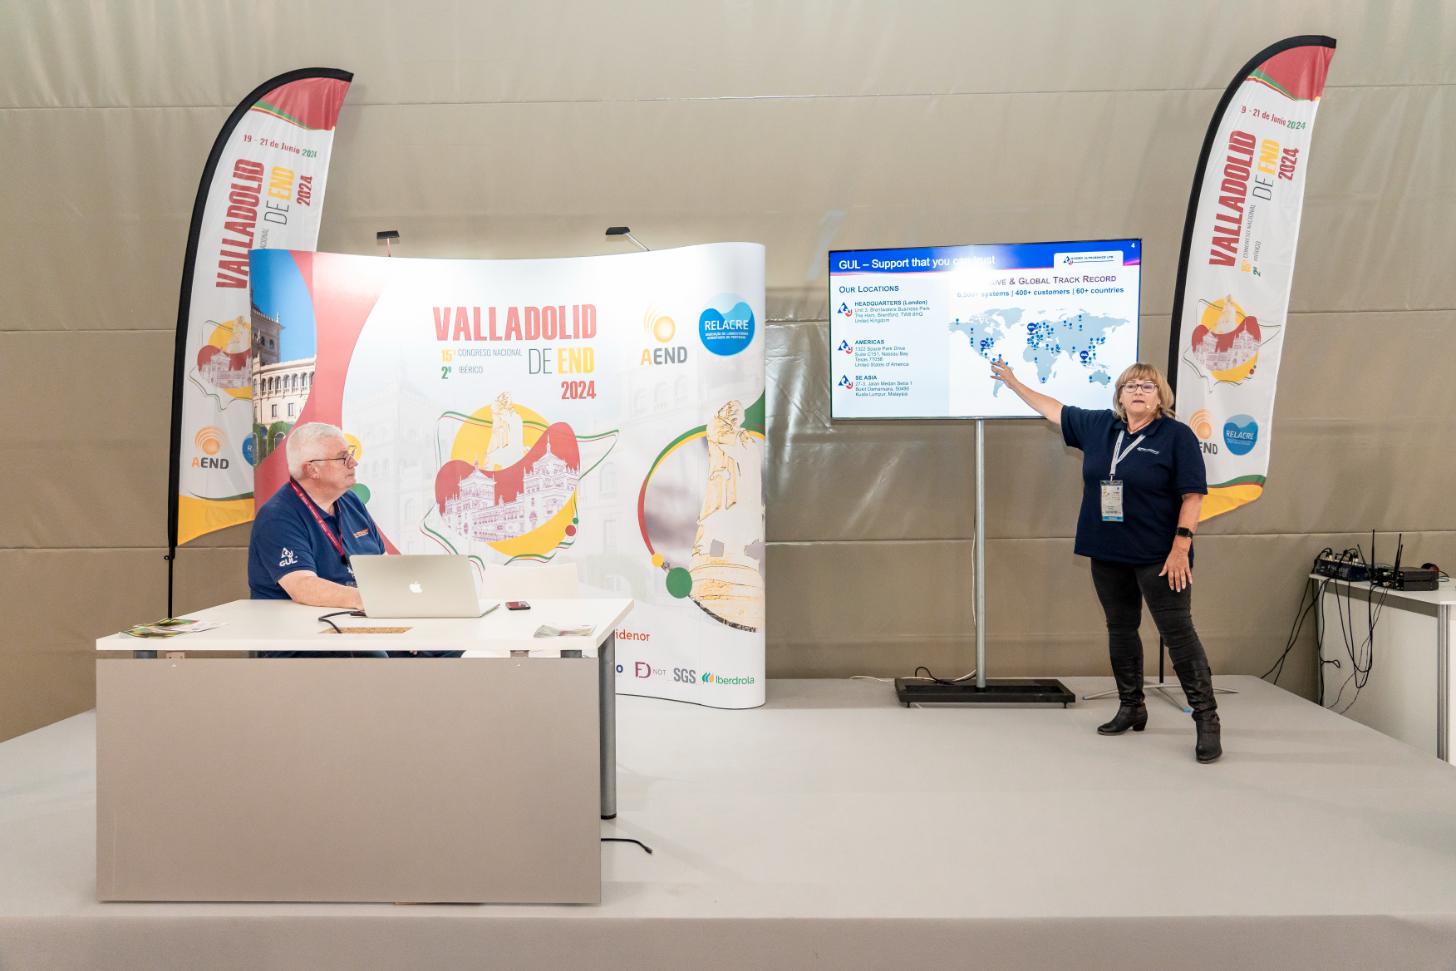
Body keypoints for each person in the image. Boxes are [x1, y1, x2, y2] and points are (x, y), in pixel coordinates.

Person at [989, 359, 1221, 762]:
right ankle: (1132, 707)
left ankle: (1207, 721)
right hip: (1108, 550)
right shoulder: (1100, 426)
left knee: (1178, 635)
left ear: (1161, 397)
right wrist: (1013, 383)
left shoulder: (1176, 436)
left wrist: (1181, 547)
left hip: (1160, 556)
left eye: (1147, 386)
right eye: (1131, 385)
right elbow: (1053, 409)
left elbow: (1193, 496)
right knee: (1121, 630)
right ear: (1119, 395)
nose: (1138, 391)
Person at [247, 422, 459, 658]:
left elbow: (384, 565)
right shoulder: (277, 516)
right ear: (312, 470)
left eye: (351, 454)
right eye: (343, 457)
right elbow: (302, 586)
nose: (354, 462)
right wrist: (373, 602)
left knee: (449, 640)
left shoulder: (351, 502)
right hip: (308, 637)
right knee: (376, 659)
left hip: (362, 623)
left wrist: (405, 610)